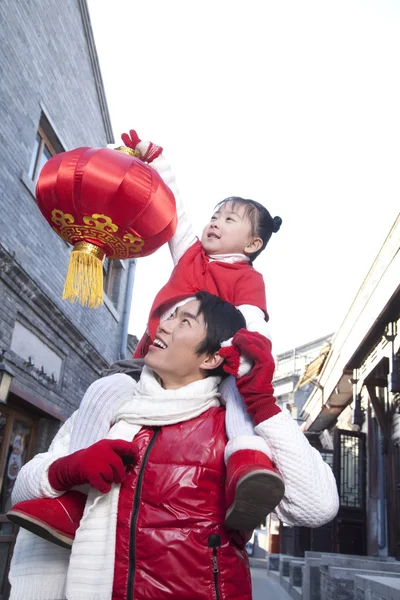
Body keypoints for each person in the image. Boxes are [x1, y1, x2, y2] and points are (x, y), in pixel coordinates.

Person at [7, 129, 286, 541]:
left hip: (212, 365)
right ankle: (72, 501)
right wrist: (155, 160)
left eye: (229, 219)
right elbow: (178, 212)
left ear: (253, 242)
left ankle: (247, 465)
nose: (214, 222)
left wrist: (238, 359)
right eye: (216, 214)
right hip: (149, 359)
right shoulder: (191, 252)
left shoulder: (248, 277)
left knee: (237, 397)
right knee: (104, 391)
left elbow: (251, 323)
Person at [8, 292, 339, 600]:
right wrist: (64, 471)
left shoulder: (236, 425)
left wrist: (264, 405)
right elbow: (21, 491)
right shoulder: (109, 410)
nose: (163, 325)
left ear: (212, 356)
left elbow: (317, 505)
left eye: (184, 321)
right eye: (169, 317)